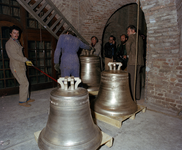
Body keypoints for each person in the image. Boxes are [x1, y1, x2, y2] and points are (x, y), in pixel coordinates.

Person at [5, 25, 34, 107]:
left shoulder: (16, 41)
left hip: (20, 65)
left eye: (17, 33)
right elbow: (14, 55)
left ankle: (27, 98)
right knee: (24, 83)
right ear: (10, 33)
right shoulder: (10, 43)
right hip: (16, 66)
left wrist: (25, 61)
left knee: (25, 82)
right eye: (14, 33)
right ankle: (22, 101)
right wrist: (25, 59)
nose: (16, 34)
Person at [126, 25, 144, 100]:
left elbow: (127, 45)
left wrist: (128, 54)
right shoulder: (140, 38)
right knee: (137, 78)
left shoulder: (132, 36)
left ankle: (131, 96)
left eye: (128, 31)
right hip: (139, 61)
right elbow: (142, 50)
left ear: (133, 31)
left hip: (133, 61)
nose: (127, 33)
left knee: (131, 79)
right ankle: (137, 95)